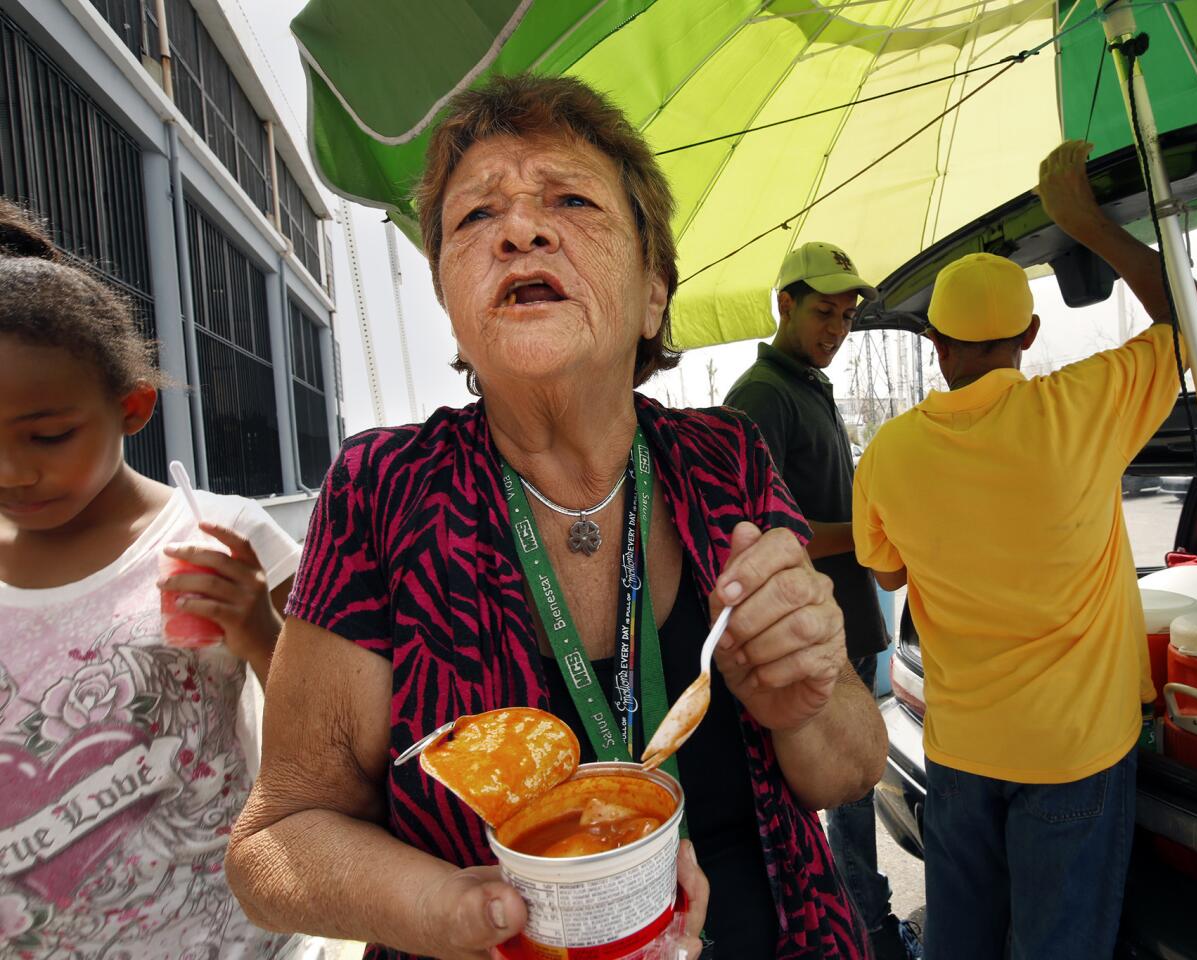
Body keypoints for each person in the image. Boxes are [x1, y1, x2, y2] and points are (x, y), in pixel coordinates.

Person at [225, 74, 887, 960]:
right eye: (474, 219)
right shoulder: (384, 489)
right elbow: (274, 843)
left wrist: (803, 702)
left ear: (655, 290)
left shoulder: (726, 459)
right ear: (452, 308)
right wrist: (456, 912)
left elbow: (848, 769)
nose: (521, 230)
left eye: (570, 200)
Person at [852, 140, 1197, 959]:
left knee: (962, 945)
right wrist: (1088, 226)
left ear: (937, 344)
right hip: (1074, 754)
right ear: (1030, 333)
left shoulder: (888, 452)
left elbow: (885, 571)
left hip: (959, 752)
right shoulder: (1082, 407)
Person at [0, 200, 301, 957]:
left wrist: (260, 631)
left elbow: (339, 726)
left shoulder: (223, 536)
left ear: (132, 408)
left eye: (48, 436)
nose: (13, 471)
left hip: (227, 940)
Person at [724, 244, 907, 958]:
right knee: (831, 795)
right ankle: (864, 928)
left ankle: (862, 918)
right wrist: (874, 533)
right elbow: (763, 532)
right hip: (798, 637)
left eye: (847, 316)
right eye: (824, 312)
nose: (837, 328)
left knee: (852, 789)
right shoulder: (763, 396)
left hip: (842, 622)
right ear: (785, 306)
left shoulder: (807, 382)